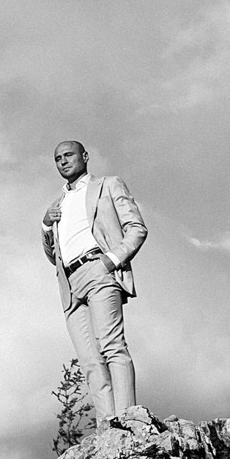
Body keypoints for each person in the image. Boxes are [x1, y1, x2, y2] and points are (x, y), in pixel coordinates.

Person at [40, 141, 148, 430]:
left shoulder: (108, 185)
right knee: (89, 360)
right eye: (58, 158)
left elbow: (136, 228)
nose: (63, 161)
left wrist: (110, 261)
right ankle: (107, 427)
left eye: (68, 155)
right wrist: (45, 226)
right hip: (70, 283)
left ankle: (128, 419)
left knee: (112, 345)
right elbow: (53, 257)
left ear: (84, 157)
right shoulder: (58, 203)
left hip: (98, 269)